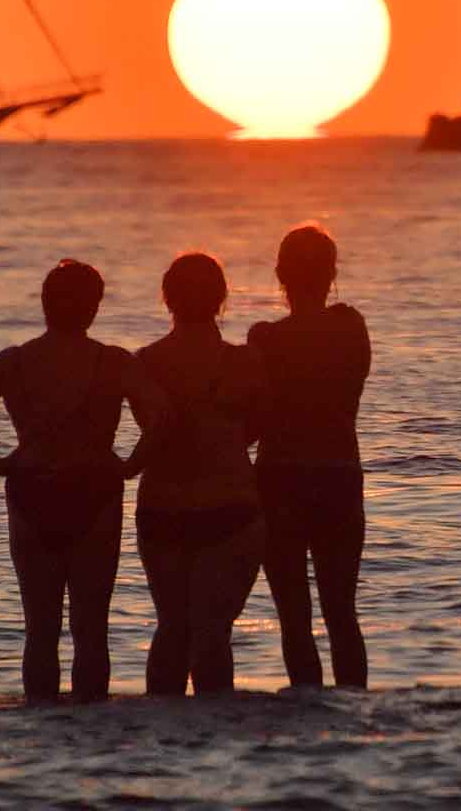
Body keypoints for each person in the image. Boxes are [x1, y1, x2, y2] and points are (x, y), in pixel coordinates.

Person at [0, 259, 168, 704]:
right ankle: (88, 725)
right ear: (94, 307)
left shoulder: (15, 362)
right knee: (91, 628)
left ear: (45, 304)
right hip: (95, 491)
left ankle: (41, 724)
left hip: (32, 489)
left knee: (40, 629)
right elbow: (161, 414)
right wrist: (132, 465)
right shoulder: (113, 362)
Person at [134, 253, 267, 695]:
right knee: (212, 633)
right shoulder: (246, 363)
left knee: (172, 628)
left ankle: (161, 727)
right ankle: (214, 728)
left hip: (163, 508)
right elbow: (257, 429)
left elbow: (151, 430)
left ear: (167, 299)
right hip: (229, 505)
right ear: (221, 298)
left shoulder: (145, 362)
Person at [248, 224, 370, 689]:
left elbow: (255, 418)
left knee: (294, 616)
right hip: (338, 475)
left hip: (279, 479)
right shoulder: (350, 327)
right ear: (331, 275)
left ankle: (305, 705)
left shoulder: (265, 339)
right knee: (342, 611)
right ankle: (354, 705)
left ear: (280, 275)